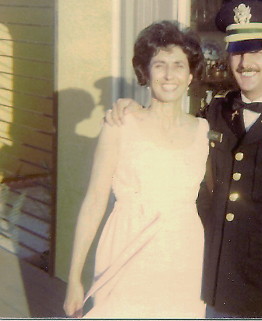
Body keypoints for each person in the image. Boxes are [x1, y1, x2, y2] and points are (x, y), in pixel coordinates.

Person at [106, 0, 262, 319]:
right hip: (205, 285)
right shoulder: (215, 112)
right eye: (238, 51)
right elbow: (169, 131)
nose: (245, 63)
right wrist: (132, 110)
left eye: (256, 50)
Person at [63, 20, 209, 318]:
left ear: (191, 74)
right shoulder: (121, 123)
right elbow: (94, 203)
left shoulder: (204, 131)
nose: (169, 75)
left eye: (179, 65)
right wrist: (74, 279)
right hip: (126, 245)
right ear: (145, 72)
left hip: (182, 254)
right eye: (160, 65)